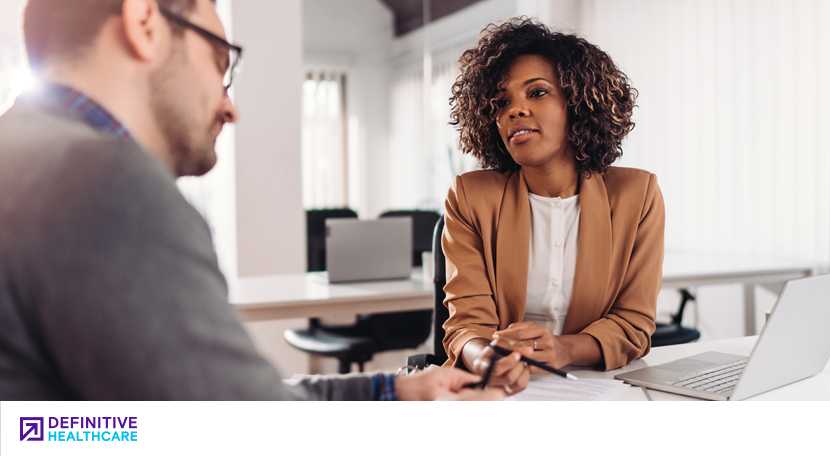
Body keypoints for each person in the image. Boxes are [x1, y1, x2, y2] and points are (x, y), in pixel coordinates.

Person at [0, 0, 503, 401]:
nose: (230, 106)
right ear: (145, 21)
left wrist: (389, 389)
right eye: (221, 63)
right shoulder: (105, 183)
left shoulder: (22, 158)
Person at [442, 18, 664, 394]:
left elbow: (633, 322)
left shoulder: (637, 194)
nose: (515, 110)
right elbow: (467, 326)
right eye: (502, 101)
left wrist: (562, 349)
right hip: (504, 388)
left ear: (576, 104)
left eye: (538, 93)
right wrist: (488, 361)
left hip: (602, 387)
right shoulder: (470, 196)